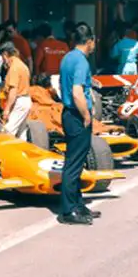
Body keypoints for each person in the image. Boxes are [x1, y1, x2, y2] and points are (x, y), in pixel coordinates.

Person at [57, 22, 99, 226]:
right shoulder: (81, 62)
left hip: (68, 113)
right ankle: (68, 210)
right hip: (76, 115)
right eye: (94, 42)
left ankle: (77, 203)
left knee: (77, 160)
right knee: (74, 163)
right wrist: (86, 115)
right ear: (89, 41)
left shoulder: (67, 57)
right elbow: (77, 92)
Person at [0, 42, 33, 139]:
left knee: (7, 132)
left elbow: (13, 91)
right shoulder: (22, 65)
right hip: (25, 100)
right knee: (21, 134)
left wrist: (7, 109)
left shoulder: (14, 68)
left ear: (5, 55)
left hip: (19, 102)